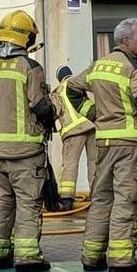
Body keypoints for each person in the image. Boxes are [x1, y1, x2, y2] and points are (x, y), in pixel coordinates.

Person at [67, 18, 137, 272]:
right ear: (126, 40)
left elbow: (71, 88)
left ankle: (92, 256)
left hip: (104, 143)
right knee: (126, 200)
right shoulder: (133, 69)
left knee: (101, 199)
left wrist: (95, 115)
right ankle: (121, 259)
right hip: (131, 145)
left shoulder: (97, 66)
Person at [0, 10, 56, 272]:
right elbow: (40, 107)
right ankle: (27, 256)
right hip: (25, 154)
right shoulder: (30, 68)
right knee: (27, 204)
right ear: (26, 37)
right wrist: (54, 106)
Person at [52, 65, 97, 211]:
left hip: (72, 131)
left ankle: (67, 199)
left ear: (59, 78)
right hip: (91, 126)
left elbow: (54, 112)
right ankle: (97, 195)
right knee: (94, 162)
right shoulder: (78, 83)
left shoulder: (57, 92)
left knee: (70, 164)